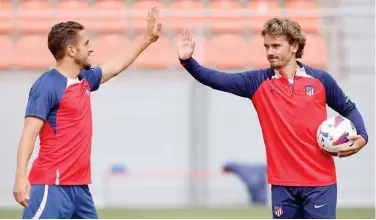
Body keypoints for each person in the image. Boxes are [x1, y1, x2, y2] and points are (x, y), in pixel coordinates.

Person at [176, 18, 368, 219]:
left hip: (320, 184)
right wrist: (188, 62)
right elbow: (216, 79)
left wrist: (362, 135)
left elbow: (349, 108)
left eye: (276, 46)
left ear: (294, 46)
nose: (269, 52)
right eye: (266, 46)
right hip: (282, 186)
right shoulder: (256, 82)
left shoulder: (321, 80)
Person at [12, 7, 162, 219]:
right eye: (85, 44)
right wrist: (20, 176)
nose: (90, 49)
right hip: (51, 186)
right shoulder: (47, 85)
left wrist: (147, 39)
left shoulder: (84, 80)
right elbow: (29, 132)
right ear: (71, 51)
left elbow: (114, 67)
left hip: (79, 189)